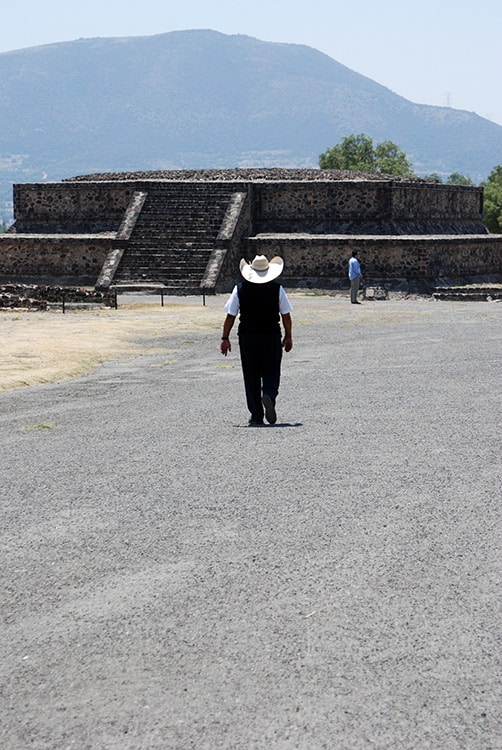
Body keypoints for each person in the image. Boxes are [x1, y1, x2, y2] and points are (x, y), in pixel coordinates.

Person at [220, 255, 293, 426]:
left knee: (251, 374)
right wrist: (288, 336)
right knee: (272, 370)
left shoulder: (240, 288)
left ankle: (256, 415)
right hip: (271, 335)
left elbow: (231, 315)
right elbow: (286, 315)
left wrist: (225, 337)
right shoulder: (277, 289)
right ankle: (269, 394)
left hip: (248, 336)